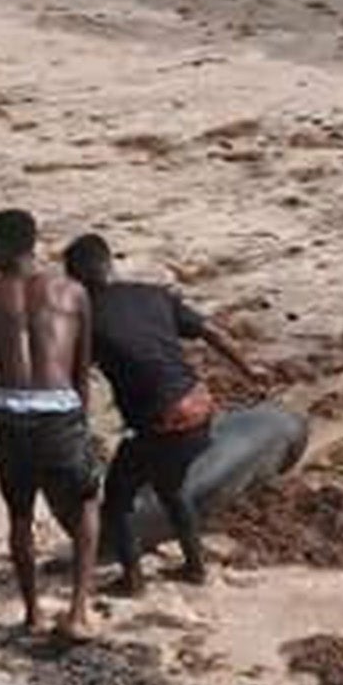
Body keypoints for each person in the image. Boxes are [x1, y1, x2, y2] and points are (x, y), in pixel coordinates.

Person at [65, 233, 261, 594]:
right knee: (170, 488)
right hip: (200, 407)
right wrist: (250, 370)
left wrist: (74, 426)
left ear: (74, 279)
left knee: (118, 501)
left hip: (162, 422)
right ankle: (195, 567)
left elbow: (77, 380)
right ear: (110, 264)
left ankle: (133, 581)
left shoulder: (87, 320)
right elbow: (210, 332)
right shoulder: (153, 294)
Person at [0, 209, 103, 640]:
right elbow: (81, 371)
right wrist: (77, 419)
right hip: (60, 413)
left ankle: (32, 613)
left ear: (3, 246)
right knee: (83, 509)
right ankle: (79, 610)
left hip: (12, 416)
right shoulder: (73, 293)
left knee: (20, 515)